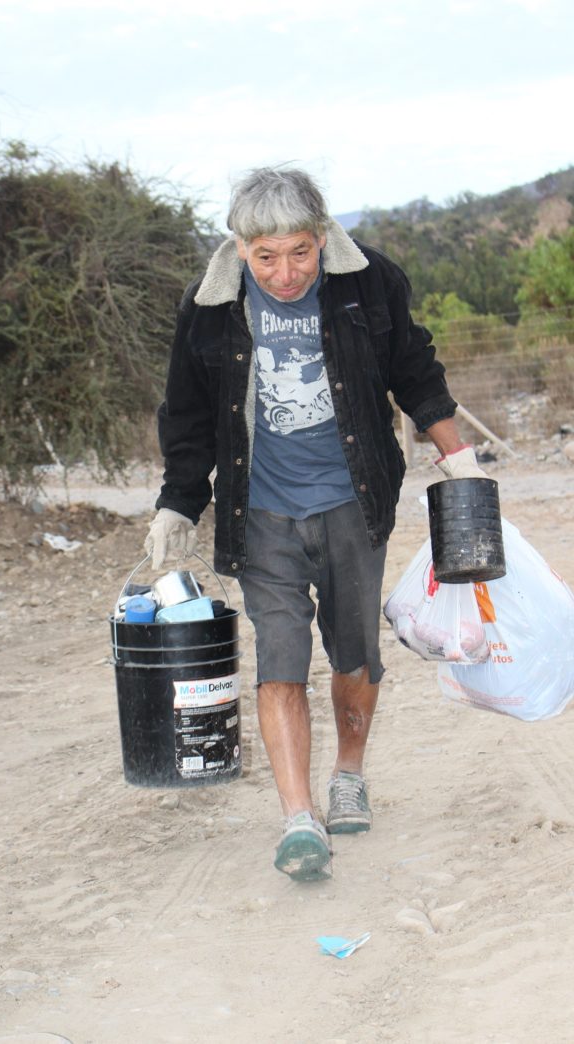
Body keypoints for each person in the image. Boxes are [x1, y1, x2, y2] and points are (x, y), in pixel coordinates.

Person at [145, 167, 487, 881]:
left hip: (352, 501)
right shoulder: (209, 308)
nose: (285, 272)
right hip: (260, 509)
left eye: (299, 251)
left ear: (322, 238)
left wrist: (460, 458)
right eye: (266, 256)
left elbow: (415, 372)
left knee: (355, 652)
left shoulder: (367, 285)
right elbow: (186, 412)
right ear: (240, 248)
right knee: (280, 658)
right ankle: (299, 818)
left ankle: (350, 772)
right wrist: (180, 500)